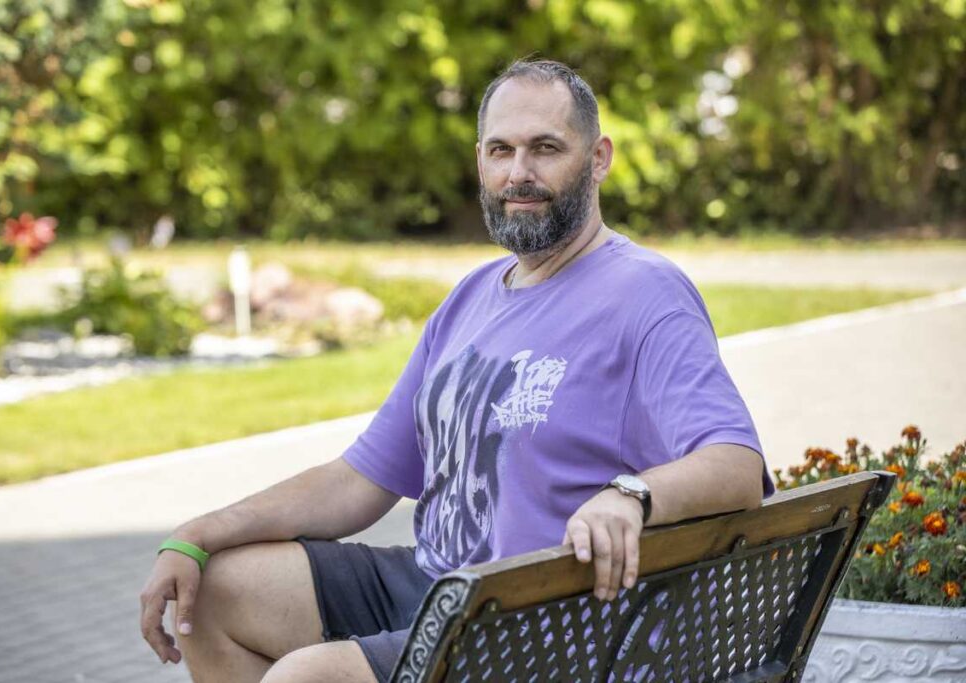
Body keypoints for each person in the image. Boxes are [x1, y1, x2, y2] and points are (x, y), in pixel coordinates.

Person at [139, 59, 772, 683]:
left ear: (598, 158)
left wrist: (628, 495)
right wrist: (198, 534)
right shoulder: (471, 298)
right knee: (210, 594)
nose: (519, 173)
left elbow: (736, 463)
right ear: (480, 162)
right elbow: (357, 481)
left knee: (311, 677)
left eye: (546, 148)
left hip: (551, 620)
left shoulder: (646, 295)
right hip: (441, 587)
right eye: (501, 151)